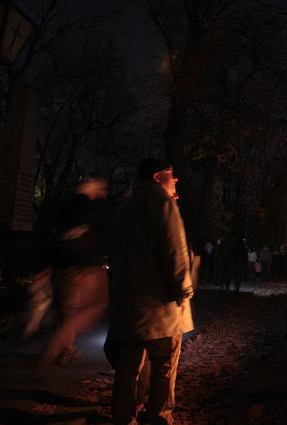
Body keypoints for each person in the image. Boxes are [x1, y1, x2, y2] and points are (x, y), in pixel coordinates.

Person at [106, 158, 194, 425]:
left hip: (128, 305)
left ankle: (123, 418)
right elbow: (175, 252)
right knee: (164, 366)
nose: (175, 180)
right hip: (161, 307)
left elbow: (113, 254)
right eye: (172, 175)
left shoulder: (124, 208)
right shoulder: (163, 204)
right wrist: (184, 290)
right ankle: (159, 417)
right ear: (158, 177)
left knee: (127, 370)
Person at [39, 177, 110, 366]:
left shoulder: (64, 207)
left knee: (67, 308)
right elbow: (101, 234)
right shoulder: (93, 209)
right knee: (96, 304)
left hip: (64, 265)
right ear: (92, 189)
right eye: (101, 189)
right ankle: (59, 344)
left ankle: (66, 347)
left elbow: (53, 234)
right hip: (87, 265)